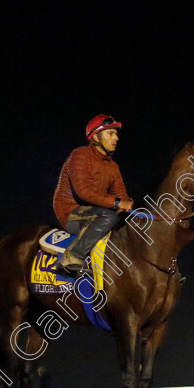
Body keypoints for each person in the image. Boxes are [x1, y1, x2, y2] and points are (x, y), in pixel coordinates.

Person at [52, 114, 133, 276]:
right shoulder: (80, 155)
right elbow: (83, 192)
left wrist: (127, 203)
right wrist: (117, 203)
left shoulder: (113, 166)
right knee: (108, 217)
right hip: (72, 212)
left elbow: (121, 195)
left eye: (116, 134)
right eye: (110, 134)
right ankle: (71, 257)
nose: (116, 138)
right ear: (96, 136)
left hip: (99, 211)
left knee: (129, 222)